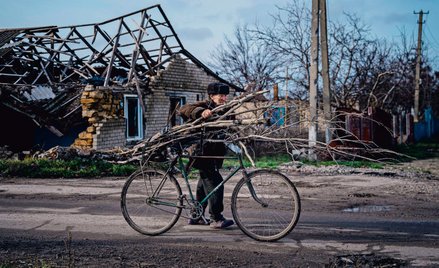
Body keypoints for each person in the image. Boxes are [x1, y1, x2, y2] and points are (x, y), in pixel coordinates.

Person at [178, 82, 234, 229]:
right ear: (211, 96)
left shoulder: (225, 110)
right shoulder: (205, 105)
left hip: (213, 155)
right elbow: (184, 109)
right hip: (201, 153)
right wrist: (201, 112)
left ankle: (196, 216)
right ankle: (216, 218)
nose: (223, 98)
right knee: (216, 184)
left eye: (225, 95)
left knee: (204, 185)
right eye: (220, 95)